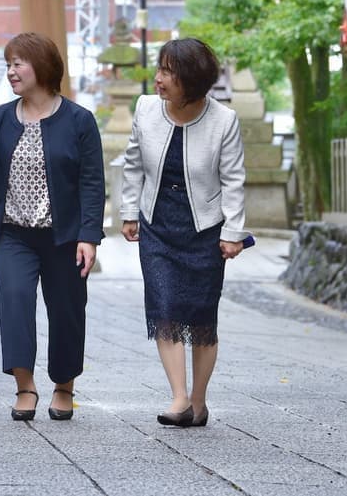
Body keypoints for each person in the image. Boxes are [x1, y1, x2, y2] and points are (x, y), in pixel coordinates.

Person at [0, 33, 104, 422]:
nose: (11, 71)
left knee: (67, 310)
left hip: (64, 237)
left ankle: (63, 386)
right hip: (12, 233)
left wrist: (89, 236)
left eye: (18, 63)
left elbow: (93, 184)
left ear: (41, 67)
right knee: (14, 300)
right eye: (8, 64)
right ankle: (24, 386)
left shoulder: (79, 121)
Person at [119, 37, 248, 428]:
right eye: (159, 70)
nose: (158, 79)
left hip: (204, 229)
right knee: (164, 309)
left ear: (190, 80)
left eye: (167, 73)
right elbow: (132, 164)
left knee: (201, 318)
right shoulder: (145, 109)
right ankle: (178, 397)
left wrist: (233, 231)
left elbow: (234, 180)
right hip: (157, 223)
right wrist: (128, 212)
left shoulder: (223, 121)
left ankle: (198, 401)